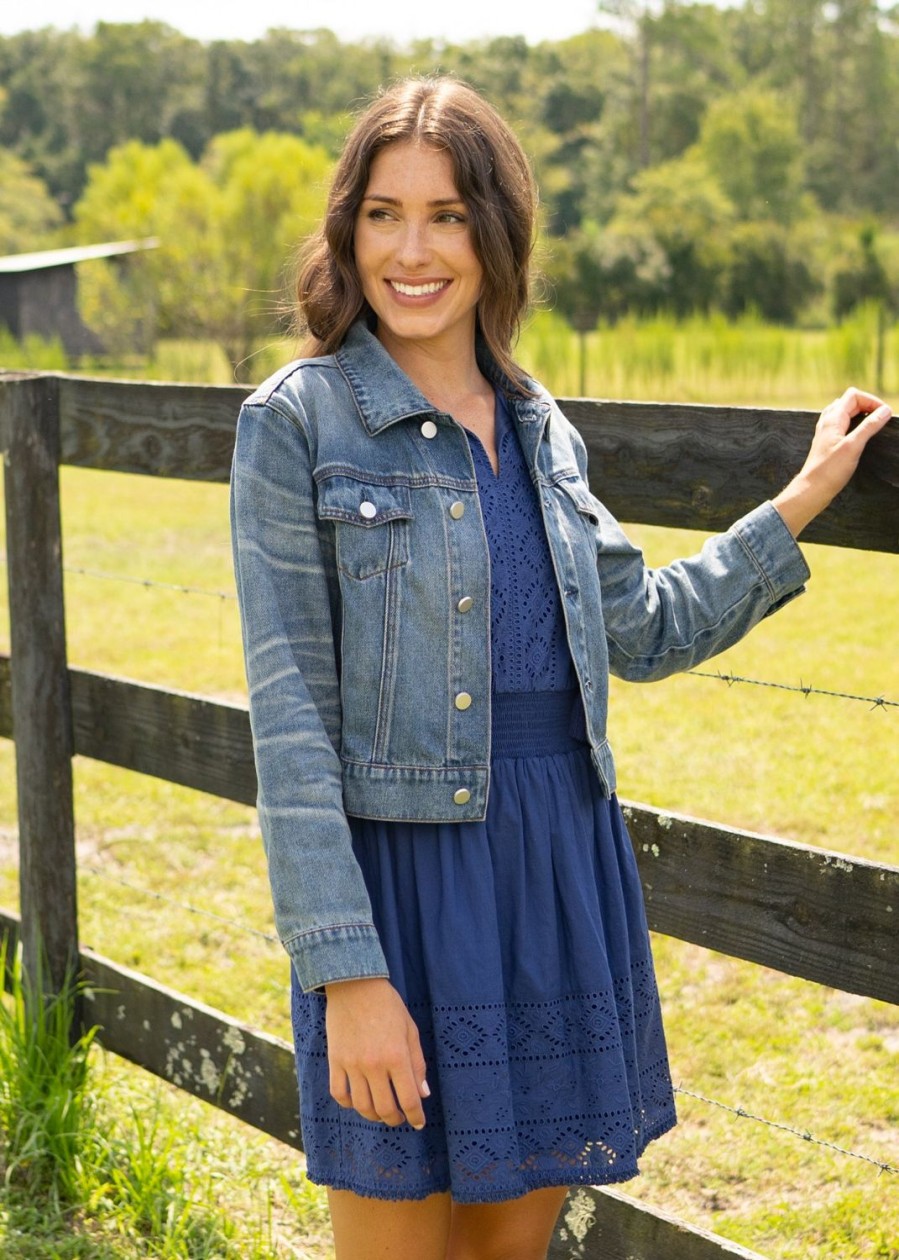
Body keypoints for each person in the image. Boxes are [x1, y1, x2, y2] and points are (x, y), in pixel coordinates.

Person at [230, 76, 892, 1260]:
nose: (412, 250)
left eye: (445, 215)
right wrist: (347, 977)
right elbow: (287, 722)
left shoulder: (542, 428)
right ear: (348, 230)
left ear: (497, 232)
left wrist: (797, 503)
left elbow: (638, 630)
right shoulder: (299, 421)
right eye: (383, 214)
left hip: (553, 886)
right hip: (400, 898)